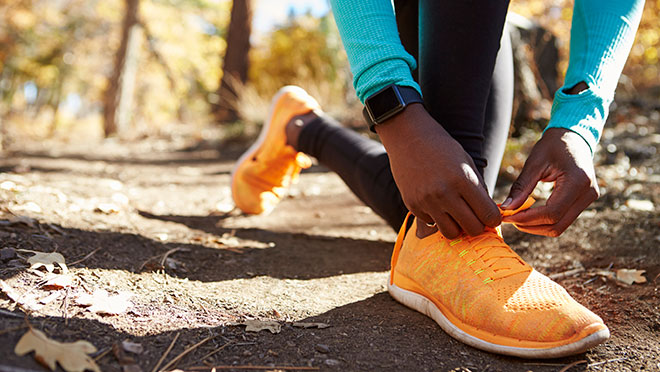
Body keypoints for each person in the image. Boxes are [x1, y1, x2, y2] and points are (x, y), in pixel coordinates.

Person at [230, 0, 644, 359]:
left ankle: (301, 127)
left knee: (440, 199)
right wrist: (394, 110)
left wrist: (578, 124)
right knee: (440, 208)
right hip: (395, 14)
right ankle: (443, 244)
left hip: (474, 23)